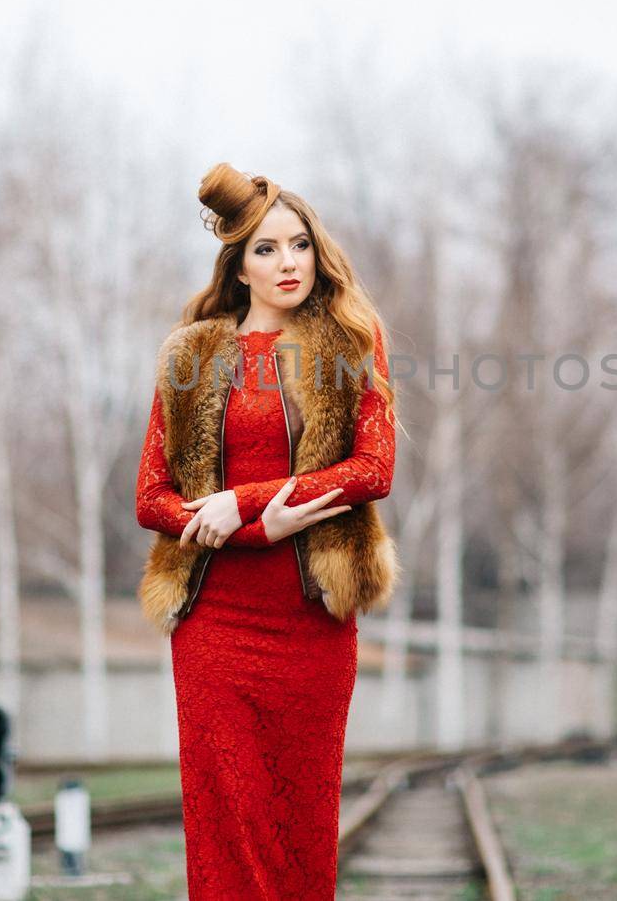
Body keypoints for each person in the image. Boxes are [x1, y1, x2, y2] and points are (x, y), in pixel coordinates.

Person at [134, 162, 400, 899]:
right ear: (238, 265)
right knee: (225, 819)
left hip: (311, 618)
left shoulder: (350, 340)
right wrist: (255, 530)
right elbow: (153, 498)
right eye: (266, 249)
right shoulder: (192, 354)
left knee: (301, 818)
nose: (288, 263)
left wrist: (249, 502)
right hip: (216, 620)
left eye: (300, 245)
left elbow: (372, 469)